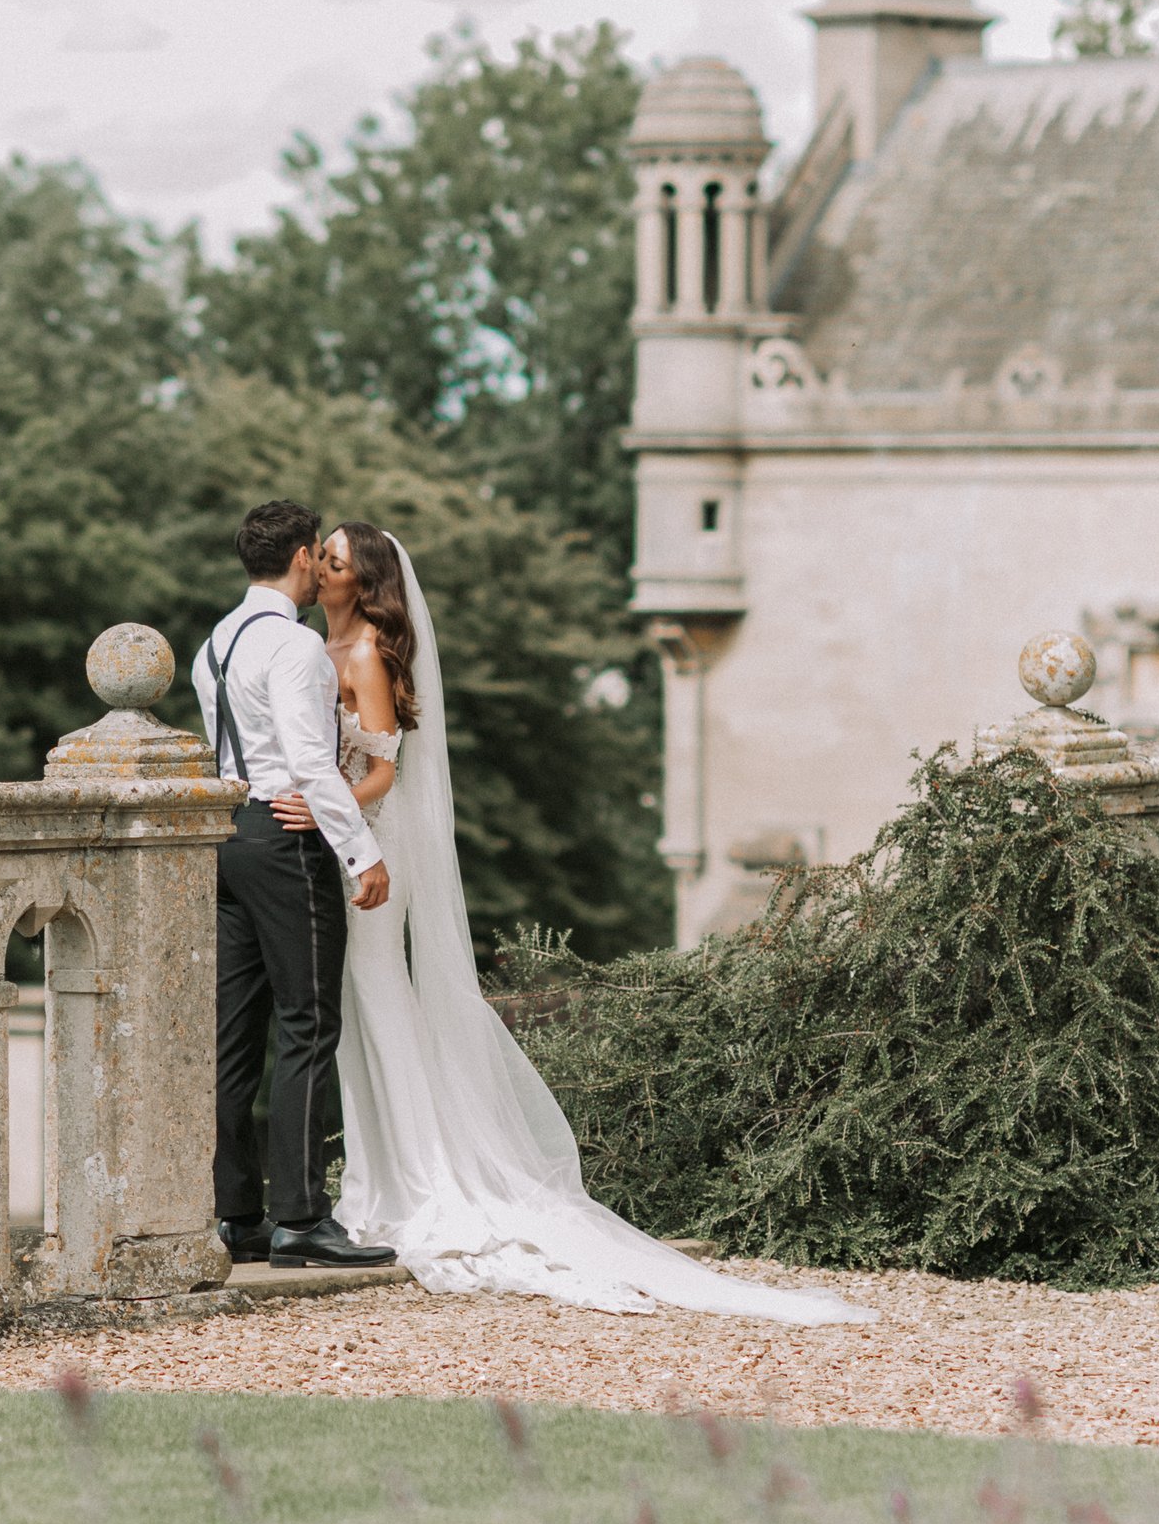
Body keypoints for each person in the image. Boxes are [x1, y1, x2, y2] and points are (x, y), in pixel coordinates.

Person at [261, 518, 863, 1320]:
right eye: (323, 562)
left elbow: (385, 771)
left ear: (363, 584)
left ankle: (416, 1177)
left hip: (371, 842)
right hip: (338, 838)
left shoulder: (367, 652)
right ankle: (380, 1170)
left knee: (372, 995)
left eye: (334, 564)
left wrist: (325, 809)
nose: (322, 573)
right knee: (347, 1007)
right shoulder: (311, 651)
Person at [193, 502, 400, 1272]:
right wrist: (361, 854)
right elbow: (312, 763)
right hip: (287, 840)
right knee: (308, 1023)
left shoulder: (214, 642)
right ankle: (303, 1218)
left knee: (232, 1036)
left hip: (227, 836)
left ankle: (235, 1215)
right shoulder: (297, 646)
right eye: (321, 556)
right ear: (305, 556)